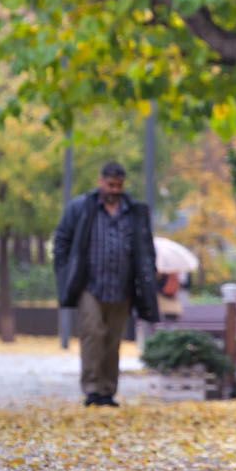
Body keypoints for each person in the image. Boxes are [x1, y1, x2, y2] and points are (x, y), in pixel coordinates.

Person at [52, 160, 160, 407]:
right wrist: (64, 272)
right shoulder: (81, 208)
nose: (114, 189)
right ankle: (91, 389)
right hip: (89, 286)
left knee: (112, 340)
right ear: (100, 181)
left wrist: (147, 273)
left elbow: (146, 247)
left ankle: (107, 390)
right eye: (110, 184)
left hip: (121, 286)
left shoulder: (134, 211)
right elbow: (62, 241)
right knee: (92, 335)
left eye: (118, 185)